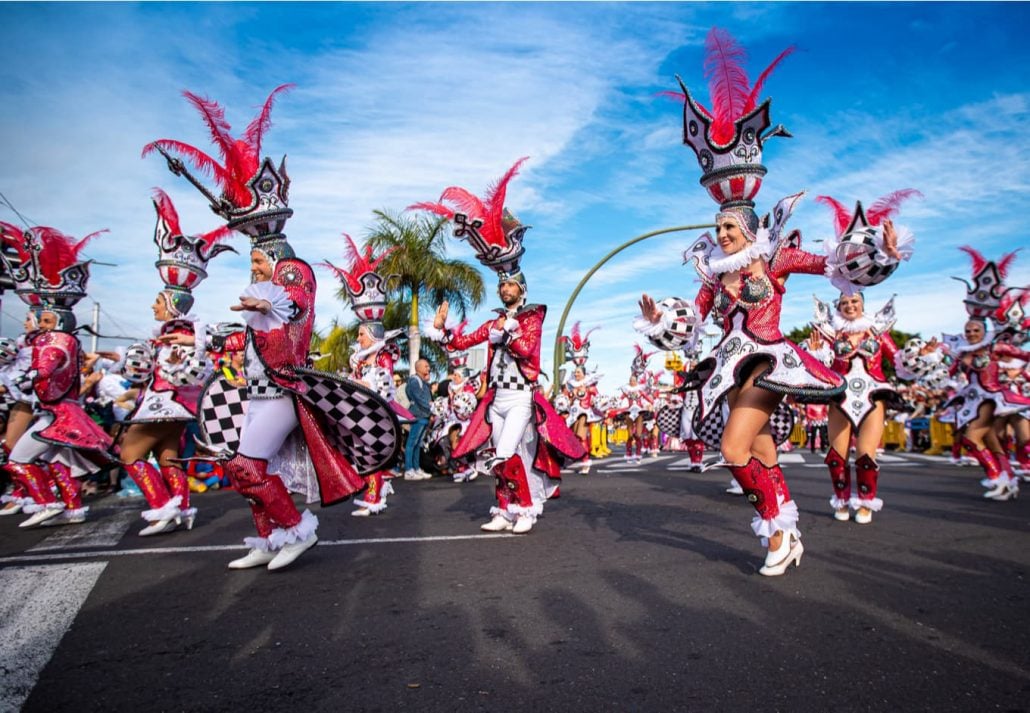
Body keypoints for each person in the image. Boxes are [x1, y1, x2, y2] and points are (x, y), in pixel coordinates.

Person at [635, 28, 910, 575]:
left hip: (768, 360)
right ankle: (786, 528)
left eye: (729, 225)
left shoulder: (778, 258)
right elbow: (693, 317)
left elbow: (836, 265)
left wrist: (879, 247)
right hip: (732, 365)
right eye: (718, 226)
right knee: (761, 452)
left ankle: (775, 535)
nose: (722, 233)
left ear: (750, 226)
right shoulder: (714, 269)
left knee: (735, 452)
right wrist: (661, 317)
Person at [146, 84, 401, 570]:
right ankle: (269, 538)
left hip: (284, 391)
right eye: (254, 260)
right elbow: (253, 329)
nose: (255, 266)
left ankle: (297, 531)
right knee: (240, 467)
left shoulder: (291, 277)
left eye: (259, 258)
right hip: (256, 393)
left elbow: (290, 310)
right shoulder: (262, 292)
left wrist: (261, 301)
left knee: (245, 465)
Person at [415, 157, 586, 534]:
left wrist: (507, 333)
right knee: (496, 455)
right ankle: (503, 507)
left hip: (521, 396)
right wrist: (443, 332)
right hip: (496, 398)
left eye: (511, 285)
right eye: (502, 284)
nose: (504, 289)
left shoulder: (530, 318)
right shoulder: (495, 321)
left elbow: (529, 351)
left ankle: (525, 509)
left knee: (508, 453)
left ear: (521, 289)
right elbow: (463, 342)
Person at [805, 196, 933, 523]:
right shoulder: (830, 336)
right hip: (839, 396)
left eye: (854, 303)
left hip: (873, 395)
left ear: (863, 305)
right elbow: (817, 366)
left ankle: (866, 500)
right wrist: (817, 354)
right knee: (836, 456)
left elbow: (900, 361)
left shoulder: (878, 333)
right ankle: (841, 498)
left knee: (866, 454)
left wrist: (920, 356)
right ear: (838, 308)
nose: (850, 307)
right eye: (845, 304)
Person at [115, 189, 233, 536]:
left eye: (157, 300)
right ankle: (180, 506)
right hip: (178, 407)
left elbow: (188, 372)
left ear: (169, 302)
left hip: (162, 404)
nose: (153, 306)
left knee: (130, 456)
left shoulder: (179, 334)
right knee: (168, 457)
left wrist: (148, 358)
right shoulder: (184, 332)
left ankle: (160, 504)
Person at [0, 223, 118, 528]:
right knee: (56, 460)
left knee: (17, 460)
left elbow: (50, 364)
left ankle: (46, 501)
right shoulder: (52, 340)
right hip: (55, 412)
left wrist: (32, 375)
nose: (34, 323)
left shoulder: (57, 341)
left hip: (57, 415)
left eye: (42, 319)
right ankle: (71, 506)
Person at [321, 234, 414, 515]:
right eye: (359, 333)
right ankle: (375, 494)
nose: (358, 338)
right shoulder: (361, 359)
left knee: (369, 455)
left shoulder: (382, 358)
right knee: (361, 455)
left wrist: (354, 384)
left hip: (374, 414)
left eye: (362, 334)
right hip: (360, 412)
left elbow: (381, 387)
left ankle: (375, 498)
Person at [941, 248, 1030, 501]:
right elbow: (949, 370)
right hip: (974, 399)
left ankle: (994, 475)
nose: (970, 334)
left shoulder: (995, 347)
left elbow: (1024, 356)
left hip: (991, 398)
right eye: (968, 330)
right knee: (993, 441)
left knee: (972, 439)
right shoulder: (962, 350)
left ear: (984, 330)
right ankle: (1008, 480)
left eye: (975, 330)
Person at [405, 359, 433, 480]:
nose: (428, 368)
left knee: (418, 443)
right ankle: (408, 470)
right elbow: (419, 398)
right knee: (412, 443)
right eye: (426, 366)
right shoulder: (414, 381)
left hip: (424, 415)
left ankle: (416, 468)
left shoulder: (423, 381)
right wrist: (432, 407)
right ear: (418, 367)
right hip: (418, 415)